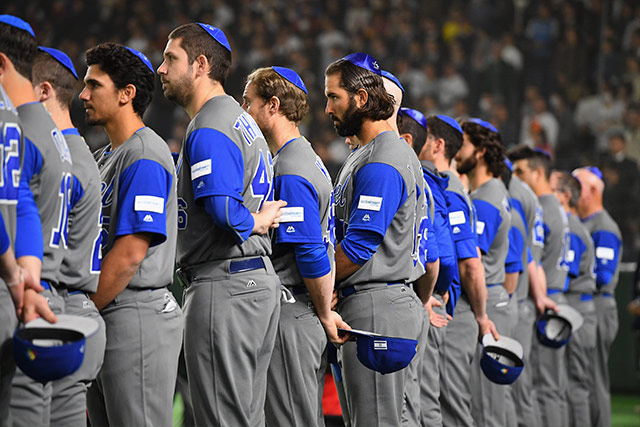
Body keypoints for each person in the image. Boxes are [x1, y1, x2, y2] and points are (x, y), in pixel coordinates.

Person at [157, 23, 285, 426]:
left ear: (200, 64)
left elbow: (225, 211)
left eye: (170, 58)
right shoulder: (240, 120)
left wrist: (254, 220)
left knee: (221, 419)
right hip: (251, 283)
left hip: (224, 284)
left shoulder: (211, 123)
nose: (161, 68)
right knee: (245, 416)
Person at [80, 43, 183, 427]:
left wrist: (84, 313)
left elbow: (130, 254)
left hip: (135, 312)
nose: (84, 95)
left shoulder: (145, 155)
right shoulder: (108, 154)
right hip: (114, 308)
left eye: (95, 85)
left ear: (127, 94)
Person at [241, 66, 350, 427]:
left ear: (272, 106)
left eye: (248, 101)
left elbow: (309, 251)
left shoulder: (290, 167)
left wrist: (323, 310)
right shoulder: (306, 158)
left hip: (294, 309)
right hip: (302, 307)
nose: (243, 110)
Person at [325, 52, 427, 427]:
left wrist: (319, 285)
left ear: (362, 99)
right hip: (375, 301)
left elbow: (357, 248)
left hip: (376, 306)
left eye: (334, 97)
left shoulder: (383, 158)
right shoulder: (370, 152)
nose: (327, 108)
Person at [31, 46, 106, 427]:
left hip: (58, 303)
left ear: (43, 92)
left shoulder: (55, 157)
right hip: (74, 306)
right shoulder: (77, 153)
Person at [7, 15, 76, 426]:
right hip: (48, 288)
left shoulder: (21, 129)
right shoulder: (57, 139)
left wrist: (18, 276)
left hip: (24, 289)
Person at [0, 15, 58, 422]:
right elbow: (22, 202)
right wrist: (27, 278)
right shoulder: (17, 120)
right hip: (15, 294)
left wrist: (14, 274)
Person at [398, 109, 468, 427]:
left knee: (421, 406)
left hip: (423, 302)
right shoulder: (447, 184)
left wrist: (431, 293)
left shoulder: (423, 179)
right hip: (431, 299)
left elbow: (443, 259)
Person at [509, 146, 570, 427]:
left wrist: (539, 295)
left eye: (521, 171)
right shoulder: (553, 206)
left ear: (538, 172)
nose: (516, 178)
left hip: (539, 299)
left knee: (536, 388)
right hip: (553, 295)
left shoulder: (540, 205)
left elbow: (531, 257)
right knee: (549, 388)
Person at [457, 119, 512, 427]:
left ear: (479, 152)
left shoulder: (486, 199)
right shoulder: (490, 191)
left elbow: (471, 261)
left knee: (485, 408)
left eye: (462, 144)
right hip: (493, 299)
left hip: (486, 302)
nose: (456, 151)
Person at [572, 166, 622, 427]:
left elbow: (603, 276)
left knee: (595, 377)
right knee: (583, 376)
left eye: (577, 186)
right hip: (588, 304)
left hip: (599, 305)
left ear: (592, 191)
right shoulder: (585, 223)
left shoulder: (604, 226)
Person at [550, 170, 597, 427]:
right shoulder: (570, 225)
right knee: (568, 383)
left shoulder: (572, 229)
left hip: (578, 306)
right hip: (577, 305)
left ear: (565, 197)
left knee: (575, 384)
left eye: (552, 190)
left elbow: (563, 276)